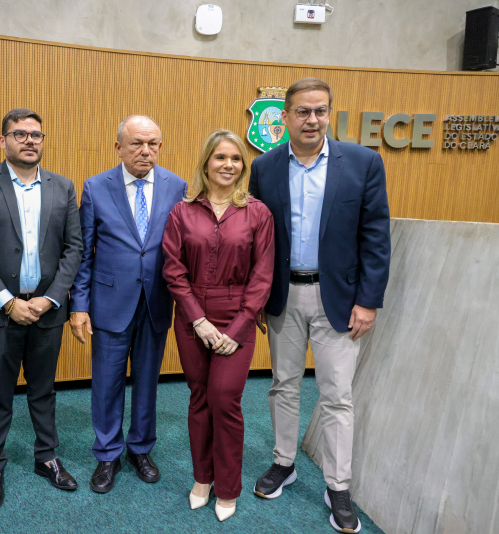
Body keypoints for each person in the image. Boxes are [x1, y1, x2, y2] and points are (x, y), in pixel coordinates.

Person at [249, 77, 390, 533]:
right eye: (303, 112)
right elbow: (256, 238)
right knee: (283, 385)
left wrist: (368, 301)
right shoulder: (265, 167)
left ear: (329, 114)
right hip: (282, 296)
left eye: (320, 111)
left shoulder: (363, 163)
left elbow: (375, 237)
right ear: (285, 117)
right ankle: (284, 462)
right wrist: (254, 296)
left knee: (337, 396)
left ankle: (338, 487)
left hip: (342, 300)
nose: (312, 120)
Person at [0, 108, 83, 509]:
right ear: (3, 141)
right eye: (20, 134)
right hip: (0, 311)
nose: (30, 141)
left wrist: (51, 299)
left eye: (36, 135)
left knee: (44, 390)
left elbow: (74, 248)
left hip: (47, 311)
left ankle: (47, 458)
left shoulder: (62, 187)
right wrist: (8, 302)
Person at [69, 115, 187, 493]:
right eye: (136, 143)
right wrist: (79, 305)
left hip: (156, 301)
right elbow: (84, 253)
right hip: (109, 302)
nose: (145, 151)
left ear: (161, 147)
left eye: (152, 143)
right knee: (107, 382)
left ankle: (140, 448)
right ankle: (107, 454)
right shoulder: (95, 186)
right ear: (118, 147)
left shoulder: (177, 187)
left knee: (149, 381)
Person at [162, 130, 274, 521]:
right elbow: (173, 271)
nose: (228, 165)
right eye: (220, 157)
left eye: (236, 159)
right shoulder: (182, 211)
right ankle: (202, 479)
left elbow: (263, 276)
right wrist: (200, 321)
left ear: (243, 166)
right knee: (199, 398)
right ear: (206, 162)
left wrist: (238, 326)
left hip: (237, 317)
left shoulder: (258, 213)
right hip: (193, 318)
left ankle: (228, 487)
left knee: (225, 399)